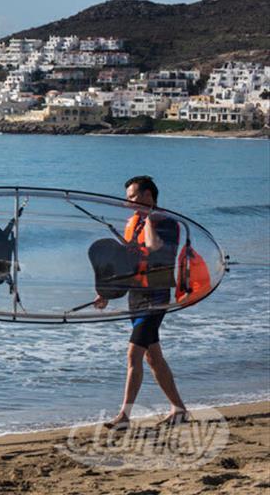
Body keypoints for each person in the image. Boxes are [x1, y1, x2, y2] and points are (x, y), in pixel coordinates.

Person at [95, 176, 188, 429]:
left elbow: (154, 246)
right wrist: (107, 292)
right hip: (135, 296)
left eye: (132, 197)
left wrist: (148, 219)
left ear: (148, 196)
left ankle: (124, 416)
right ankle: (179, 409)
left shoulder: (166, 222)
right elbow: (128, 263)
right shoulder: (132, 223)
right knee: (152, 357)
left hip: (156, 296)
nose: (128, 203)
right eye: (127, 198)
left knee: (133, 354)